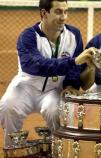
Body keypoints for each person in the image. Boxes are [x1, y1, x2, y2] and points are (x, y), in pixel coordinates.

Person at [0, 0, 94, 147]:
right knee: (8, 107)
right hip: (26, 87)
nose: (63, 17)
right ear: (44, 13)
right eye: (58, 12)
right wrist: (74, 61)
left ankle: (59, 149)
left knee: (56, 111)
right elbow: (37, 65)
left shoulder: (73, 35)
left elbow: (74, 70)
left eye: (65, 11)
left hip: (53, 90)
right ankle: (13, 149)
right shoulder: (28, 36)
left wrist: (71, 84)